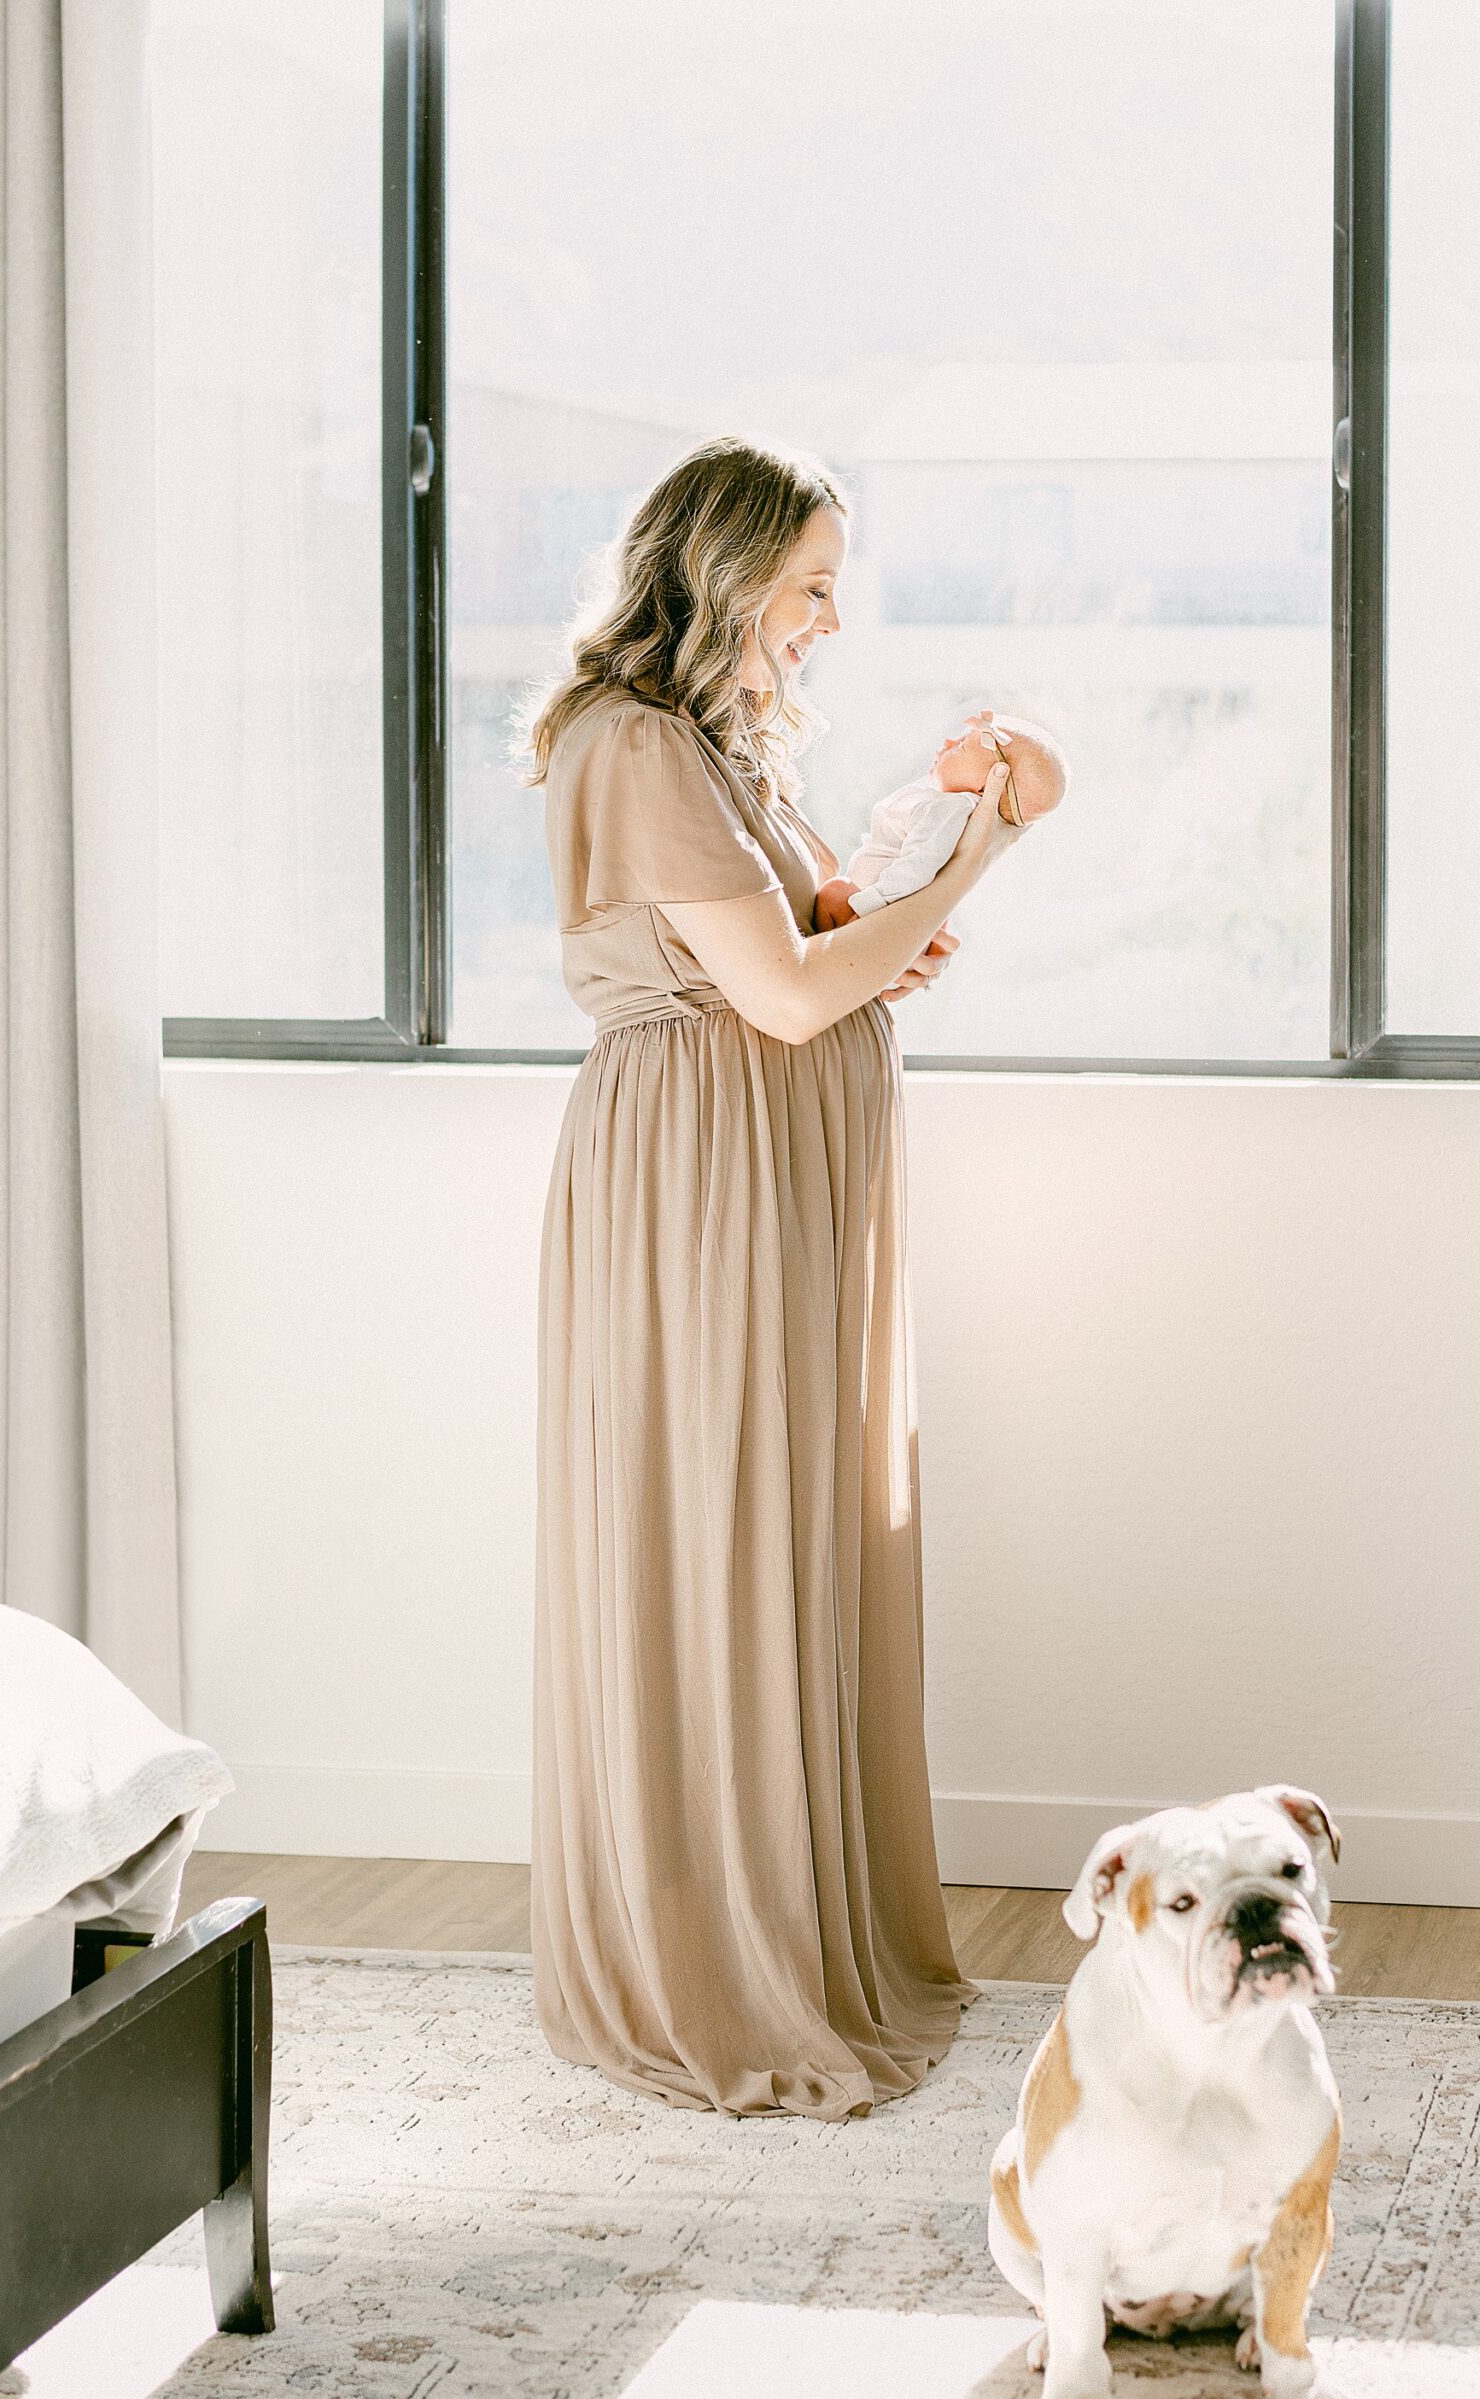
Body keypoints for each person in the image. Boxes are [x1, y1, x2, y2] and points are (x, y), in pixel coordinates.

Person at [522, 435, 1021, 2119]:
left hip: (770, 1164)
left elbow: (803, 943)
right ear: (725, 574)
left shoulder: (710, 748)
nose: (826, 614)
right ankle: (707, 1949)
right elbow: (789, 996)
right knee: (711, 1528)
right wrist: (973, 863)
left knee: (784, 1526)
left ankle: (777, 1920)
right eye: (807, 580)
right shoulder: (635, 741)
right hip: (703, 1176)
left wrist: (897, 872)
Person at [820, 710, 1067, 922]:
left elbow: (919, 865)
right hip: (878, 905)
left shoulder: (949, 808)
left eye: (961, 746)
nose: (948, 742)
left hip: (875, 908)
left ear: (989, 783)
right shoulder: (950, 809)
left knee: (833, 892)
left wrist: (868, 906)